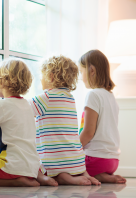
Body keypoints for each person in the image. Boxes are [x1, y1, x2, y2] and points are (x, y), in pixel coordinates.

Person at [0, 58, 58, 187]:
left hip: (11, 164)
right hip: (32, 166)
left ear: (2, 82)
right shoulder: (27, 104)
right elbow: (5, 116)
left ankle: (16, 181)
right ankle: (24, 178)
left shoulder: (2, 105)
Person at [28, 55, 100, 185]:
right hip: (76, 160)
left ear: (51, 76)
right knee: (73, 165)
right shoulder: (70, 98)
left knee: (36, 166)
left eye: (42, 77)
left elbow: (21, 109)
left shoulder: (46, 97)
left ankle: (66, 178)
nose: (40, 80)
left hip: (55, 161)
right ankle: (84, 175)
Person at [79, 50, 126, 184]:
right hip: (113, 161)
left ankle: (98, 176)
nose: (80, 77)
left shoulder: (93, 95)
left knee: (65, 169)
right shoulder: (111, 96)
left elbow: (88, 132)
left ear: (91, 70)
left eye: (81, 72)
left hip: (95, 160)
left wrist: (74, 150)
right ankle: (104, 175)